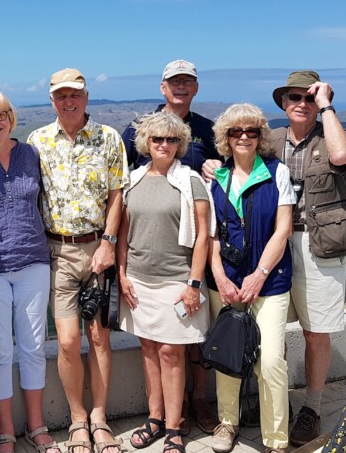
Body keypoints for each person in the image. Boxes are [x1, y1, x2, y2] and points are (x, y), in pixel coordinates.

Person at [27, 68, 128, 453]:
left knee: (99, 337)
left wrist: (108, 242)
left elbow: (118, 195)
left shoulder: (108, 139)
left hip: (98, 250)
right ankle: (77, 420)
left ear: (86, 98)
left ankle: (99, 418)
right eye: (60, 96)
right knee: (68, 341)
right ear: (52, 100)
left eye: (75, 95)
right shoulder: (37, 141)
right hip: (56, 253)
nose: (68, 102)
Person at [121, 59, 222, 434]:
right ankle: (163, 415)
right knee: (157, 347)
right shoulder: (140, 128)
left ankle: (194, 403)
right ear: (162, 87)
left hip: (187, 260)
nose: (181, 87)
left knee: (189, 343)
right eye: (174, 82)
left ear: (195, 87)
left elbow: (227, 176)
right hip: (145, 263)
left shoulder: (209, 131)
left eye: (187, 82)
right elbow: (127, 193)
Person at [268, 70, 346, 447]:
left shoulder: (332, 134)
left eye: (308, 98)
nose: (301, 104)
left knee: (314, 331)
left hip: (319, 246)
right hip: (276, 242)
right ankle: (278, 404)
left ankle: (313, 407)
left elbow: (342, 156)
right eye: (294, 98)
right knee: (273, 330)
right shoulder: (269, 141)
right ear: (284, 104)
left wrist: (327, 106)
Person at [0, 89, 60, 453]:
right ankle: (5, 431)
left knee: (35, 346)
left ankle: (36, 426)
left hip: (34, 261)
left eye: (0, 114)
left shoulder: (31, 154)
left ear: (11, 117)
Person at [207, 103, 295, 453]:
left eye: (251, 131)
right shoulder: (215, 179)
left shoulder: (277, 173)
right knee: (228, 355)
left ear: (260, 137)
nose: (243, 137)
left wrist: (259, 274)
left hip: (269, 283)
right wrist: (219, 276)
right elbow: (210, 235)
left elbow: (283, 229)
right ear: (225, 138)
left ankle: (276, 440)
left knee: (271, 361)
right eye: (235, 132)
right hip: (226, 282)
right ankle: (228, 423)